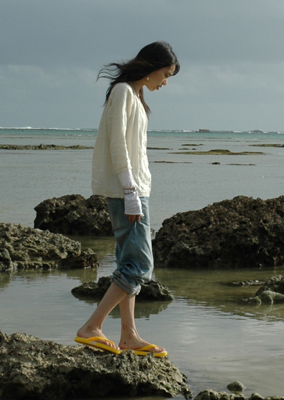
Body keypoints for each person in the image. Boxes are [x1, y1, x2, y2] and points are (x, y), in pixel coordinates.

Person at [75, 41, 180, 357]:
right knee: (140, 264)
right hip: (128, 192)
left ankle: (129, 335)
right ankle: (92, 326)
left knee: (128, 262)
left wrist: (137, 189)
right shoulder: (122, 92)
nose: (165, 82)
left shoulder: (134, 95)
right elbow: (118, 143)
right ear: (152, 67)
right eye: (166, 74)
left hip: (136, 189)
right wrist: (130, 191)